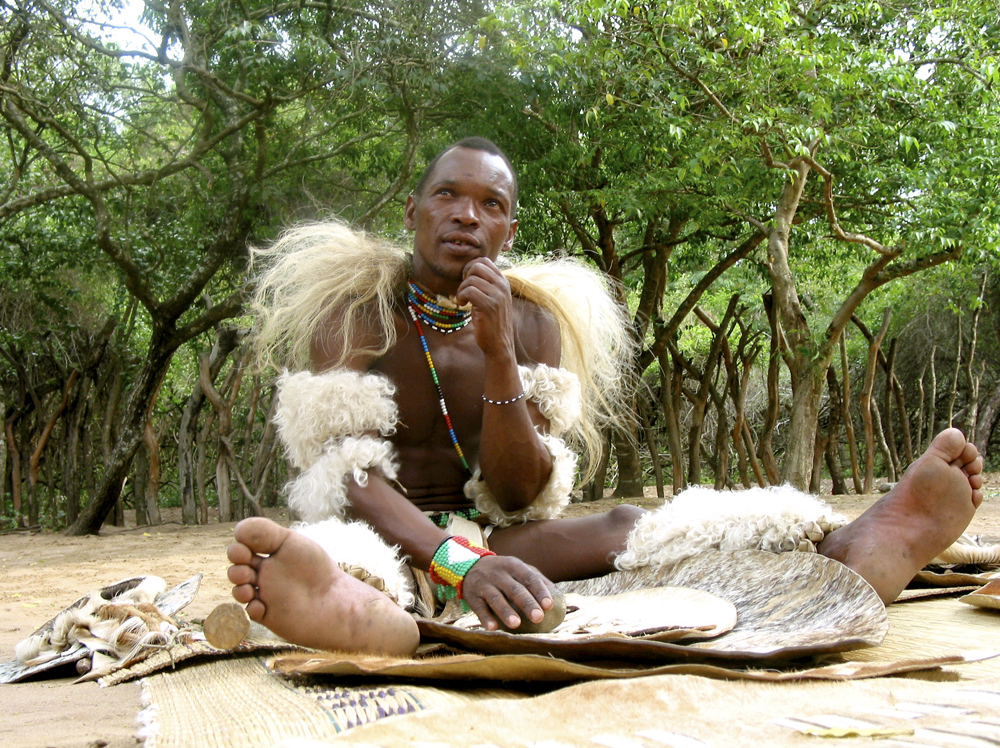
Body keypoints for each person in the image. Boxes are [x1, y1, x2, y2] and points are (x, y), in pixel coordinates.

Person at [227, 137, 984, 656]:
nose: (466, 215)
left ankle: (838, 550)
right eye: (447, 196)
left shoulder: (529, 322)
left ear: (509, 228)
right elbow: (346, 477)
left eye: (490, 204)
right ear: (412, 213)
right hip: (387, 533)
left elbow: (523, 492)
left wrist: (498, 356)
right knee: (338, 554)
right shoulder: (354, 315)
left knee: (630, 524)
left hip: (499, 539)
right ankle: (361, 607)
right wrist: (459, 566)